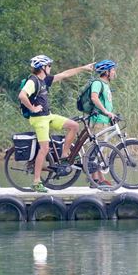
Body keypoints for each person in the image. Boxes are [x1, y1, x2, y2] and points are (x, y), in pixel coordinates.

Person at [19, 55, 94, 193]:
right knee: (45, 148)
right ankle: (36, 182)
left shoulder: (44, 80)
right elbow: (22, 96)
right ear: (42, 67)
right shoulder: (33, 81)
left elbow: (65, 74)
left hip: (48, 116)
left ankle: (64, 154)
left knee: (74, 126)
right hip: (38, 119)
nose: (50, 68)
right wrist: (32, 108)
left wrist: (83, 68)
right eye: (49, 66)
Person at [88, 59, 117, 186]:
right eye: (113, 70)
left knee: (99, 150)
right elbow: (94, 97)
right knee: (97, 150)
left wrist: (110, 115)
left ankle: (97, 180)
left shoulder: (105, 85)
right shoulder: (98, 83)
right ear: (106, 72)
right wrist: (105, 111)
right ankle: (97, 180)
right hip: (98, 121)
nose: (114, 72)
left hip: (104, 121)